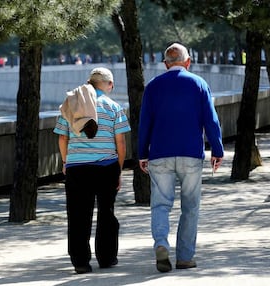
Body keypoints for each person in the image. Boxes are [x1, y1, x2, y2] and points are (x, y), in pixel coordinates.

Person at [138, 43, 224, 273]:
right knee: (190, 206)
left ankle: (161, 245)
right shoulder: (199, 84)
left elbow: (145, 121)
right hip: (190, 153)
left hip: (159, 153)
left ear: (165, 64)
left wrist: (142, 153)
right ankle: (185, 257)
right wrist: (217, 150)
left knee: (160, 204)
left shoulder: (153, 86)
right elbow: (211, 120)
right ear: (188, 62)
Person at [53, 67, 131, 274]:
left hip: (77, 168)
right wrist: (119, 169)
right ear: (108, 84)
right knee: (107, 213)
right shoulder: (114, 107)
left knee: (78, 215)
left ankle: (80, 262)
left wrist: (65, 161)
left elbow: (62, 137)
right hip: (107, 167)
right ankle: (106, 258)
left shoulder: (71, 104)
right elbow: (121, 142)